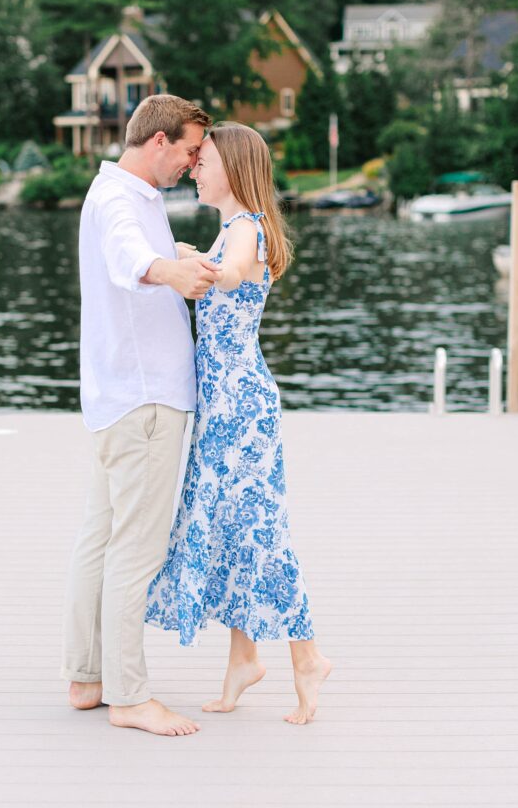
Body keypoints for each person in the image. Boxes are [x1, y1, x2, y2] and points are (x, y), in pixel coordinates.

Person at [146, 122, 332, 725]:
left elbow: (229, 275)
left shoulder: (247, 227)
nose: (195, 168)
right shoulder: (229, 230)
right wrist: (189, 254)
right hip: (221, 404)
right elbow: (218, 267)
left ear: (234, 167)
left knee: (258, 528)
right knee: (228, 527)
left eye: (204, 160)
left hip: (242, 405)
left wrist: (185, 259)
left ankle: (306, 655)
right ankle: (243, 661)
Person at [61, 94, 218, 738]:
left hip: (113, 398)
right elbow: (131, 260)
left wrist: (175, 253)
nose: (191, 162)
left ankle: (87, 676)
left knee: (98, 540)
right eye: (188, 150)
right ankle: (129, 696)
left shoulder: (120, 194)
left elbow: (138, 249)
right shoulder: (123, 204)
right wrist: (173, 276)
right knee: (135, 549)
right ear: (158, 142)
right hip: (146, 402)